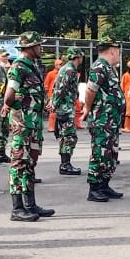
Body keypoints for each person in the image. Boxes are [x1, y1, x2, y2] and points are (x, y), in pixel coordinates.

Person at [1, 32, 54, 220]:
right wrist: (21, 101)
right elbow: (8, 96)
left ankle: (30, 205)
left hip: (33, 124)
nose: (41, 48)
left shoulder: (32, 67)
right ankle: (17, 209)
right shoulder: (18, 67)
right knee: (18, 163)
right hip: (22, 124)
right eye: (38, 45)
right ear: (30, 47)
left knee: (30, 164)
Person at [83, 37, 126, 201]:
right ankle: (94, 188)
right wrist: (88, 108)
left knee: (110, 153)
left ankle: (104, 184)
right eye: (118, 51)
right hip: (102, 119)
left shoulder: (108, 68)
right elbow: (90, 91)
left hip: (111, 120)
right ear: (112, 50)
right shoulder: (100, 67)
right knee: (99, 153)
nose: (119, 55)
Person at [52, 47, 84, 176]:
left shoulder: (66, 68)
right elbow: (61, 89)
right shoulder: (70, 70)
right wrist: (55, 104)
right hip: (65, 108)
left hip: (65, 107)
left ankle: (65, 163)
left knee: (65, 136)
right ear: (78, 57)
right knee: (69, 136)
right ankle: (65, 164)